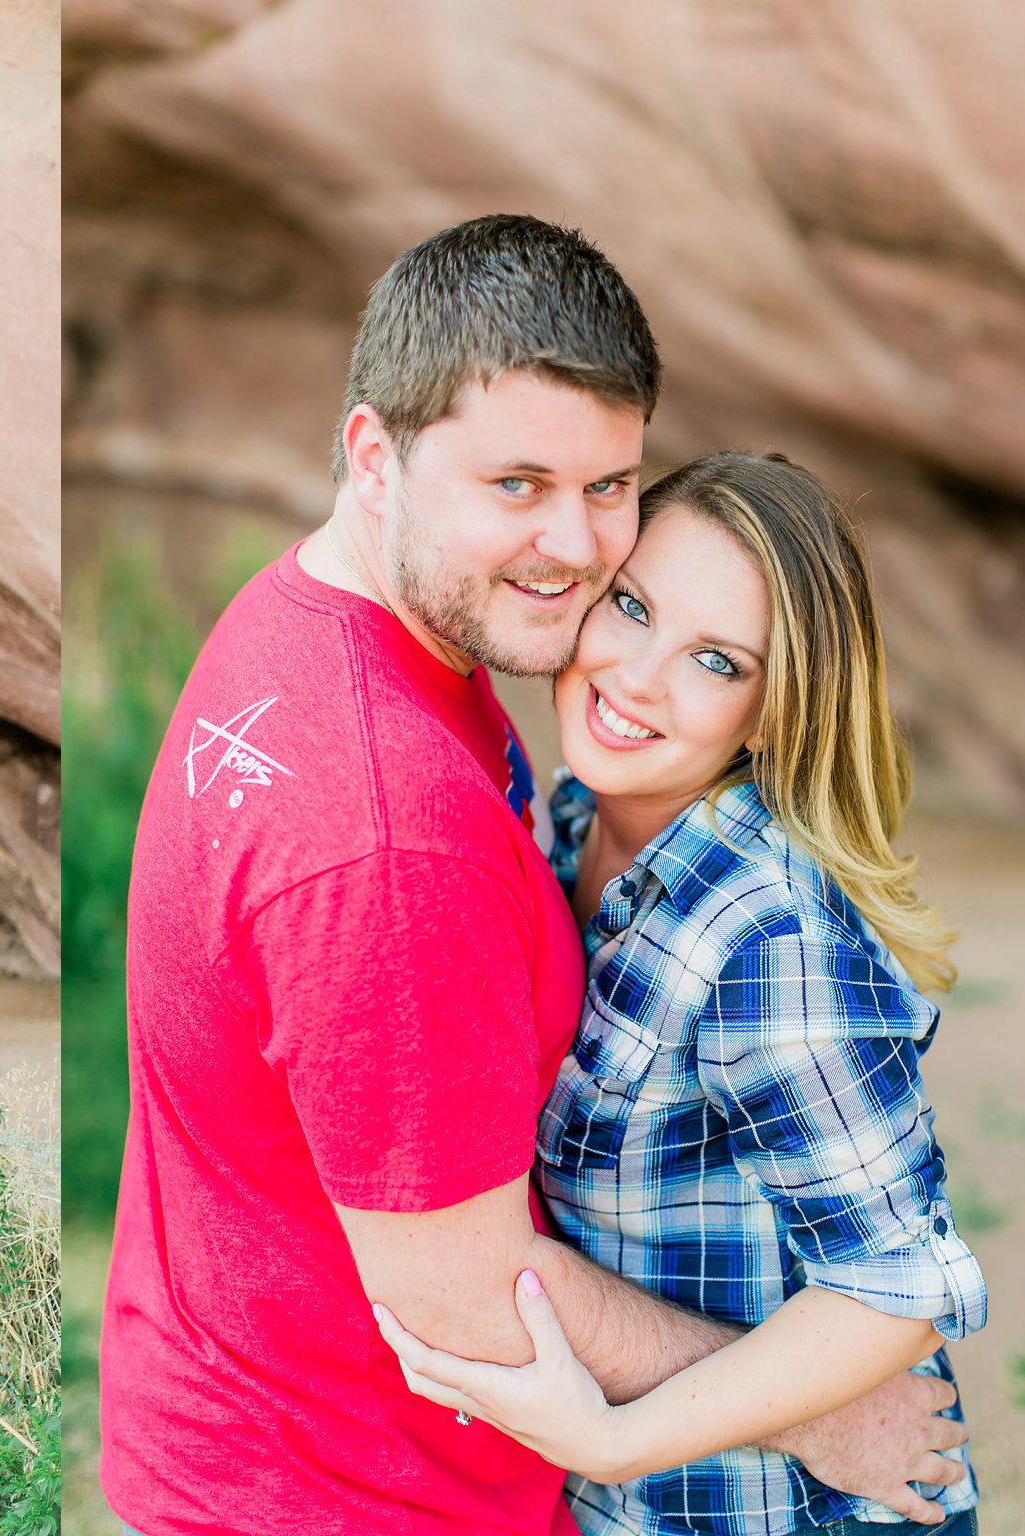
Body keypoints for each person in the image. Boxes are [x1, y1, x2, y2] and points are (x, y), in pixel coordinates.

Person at [99, 216, 966, 1535]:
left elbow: (891, 1263)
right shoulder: (388, 839)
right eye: (517, 484)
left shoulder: (346, 638)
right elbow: (466, 1293)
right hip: (341, 1495)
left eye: (608, 484)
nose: (575, 549)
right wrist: (815, 1409)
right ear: (372, 458)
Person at [375, 453, 985, 1535]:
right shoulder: (567, 824)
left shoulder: (766, 938)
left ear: (767, 715)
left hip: (779, 1512)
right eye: (631, 606)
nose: (638, 677)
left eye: (713, 660)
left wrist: (615, 1439)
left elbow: (897, 1287)